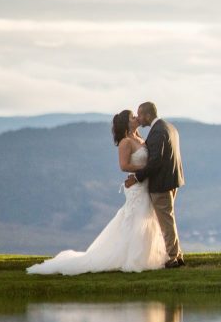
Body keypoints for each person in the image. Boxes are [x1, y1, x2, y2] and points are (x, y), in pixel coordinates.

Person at [27, 109, 169, 275]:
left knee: (147, 219)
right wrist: (145, 169)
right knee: (136, 218)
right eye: (132, 117)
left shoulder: (140, 139)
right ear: (126, 123)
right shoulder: (126, 142)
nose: (137, 118)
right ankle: (133, 258)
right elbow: (124, 166)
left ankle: (148, 255)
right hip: (136, 187)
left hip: (145, 184)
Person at [126, 101, 186, 268]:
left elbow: (155, 162)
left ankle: (173, 258)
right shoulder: (169, 127)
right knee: (169, 218)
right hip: (173, 180)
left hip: (161, 184)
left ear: (147, 115)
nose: (138, 118)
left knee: (166, 221)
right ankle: (177, 254)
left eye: (140, 114)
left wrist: (137, 177)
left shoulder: (158, 132)